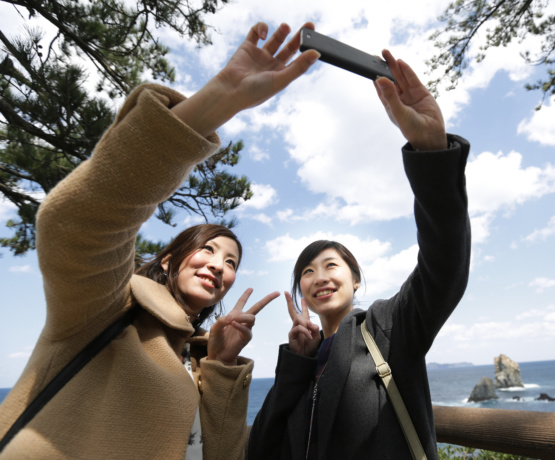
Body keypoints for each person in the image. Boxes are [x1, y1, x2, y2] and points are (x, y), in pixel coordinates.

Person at [0, 22, 321, 460]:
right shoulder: (107, 307)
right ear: (167, 262)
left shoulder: (195, 354)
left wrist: (222, 365)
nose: (219, 267)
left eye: (231, 262)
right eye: (207, 249)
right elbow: (77, 223)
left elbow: (221, 454)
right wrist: (214, 106)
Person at [248, 50, 471, 460]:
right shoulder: (305, 360)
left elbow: (443, 264)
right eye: (308, 272)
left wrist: (432, 154)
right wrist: (296, 365)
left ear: (355, 279)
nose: (319, 277)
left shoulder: (388, 327)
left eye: (332, 265)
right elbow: (262, 449)